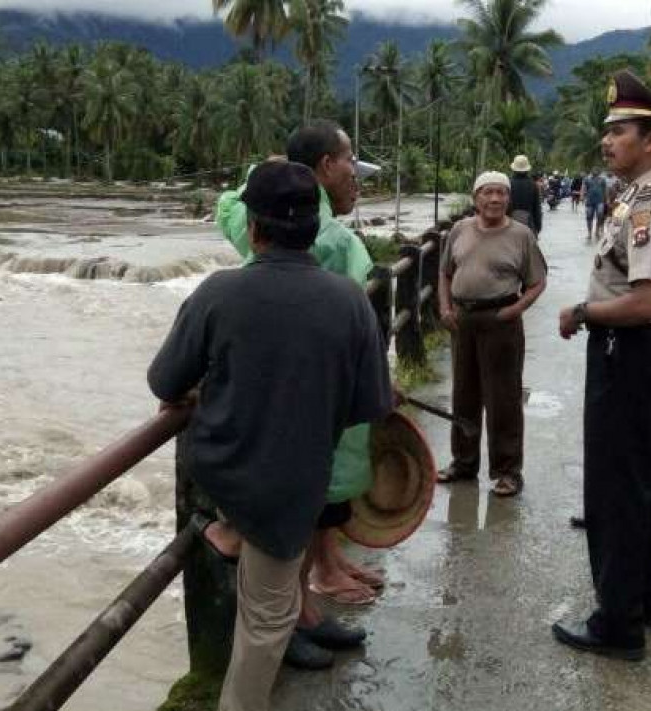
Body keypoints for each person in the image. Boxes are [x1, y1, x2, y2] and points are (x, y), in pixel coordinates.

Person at [150, 161, 394, 711]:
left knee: (266, 615)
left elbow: (163, 381)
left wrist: (207, 392)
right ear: (314, 228)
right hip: (300, 479)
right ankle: (233, 535)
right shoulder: (350, 300)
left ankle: (230, 531)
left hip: (225, 467)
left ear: (254, 229)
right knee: (268, 617)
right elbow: (370, 404)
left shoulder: (218, 292)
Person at [214, 120, 385, 668]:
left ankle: (302, 608)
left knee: (294, 511)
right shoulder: (327, 238)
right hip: (309, 396)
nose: (355, 170)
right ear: (321, 171)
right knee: (293, 511)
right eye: (348, 158)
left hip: (264, 398)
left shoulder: (249, 229)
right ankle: (286, 622)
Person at [553, 69, 651, 661]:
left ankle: (618, 624)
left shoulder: (649, 207)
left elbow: (649, 300)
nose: (607, 140)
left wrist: (585, 310)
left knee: (618, 489)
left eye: (620, 130)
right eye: (606, 130)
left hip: (633, 352)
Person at [436, 171, 548, 497]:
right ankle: (463, 462)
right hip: (463, 319)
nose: (495, 199)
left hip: (502, 320)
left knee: (503, 398)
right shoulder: (459, 230)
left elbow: (538, 281)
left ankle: (508, 471)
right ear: (476, 198)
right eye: (488, 193)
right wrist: (444, 308)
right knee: (464, 394)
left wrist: (514, 311)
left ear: (509, 199)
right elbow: (444, 273)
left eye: (501, 193)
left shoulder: (521, 235)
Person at [508, 154, 542, 236]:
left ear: (514, 169)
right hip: (528, 224)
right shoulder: (533, 185)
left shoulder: (508, 183)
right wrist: (538, 227)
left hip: (510, 224)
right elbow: (536, 208)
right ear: (527, 170)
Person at [582, 170, 607, 242]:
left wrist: (606, 199)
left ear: (598, 173)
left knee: (600, 214)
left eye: (596, 172)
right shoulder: (587, 179)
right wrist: (582, 196)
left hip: (600, 201)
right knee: (589, 216)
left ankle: (597, 230)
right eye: (594, 172)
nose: (595, 173)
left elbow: (605, 189)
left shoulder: (602, 180)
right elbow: (583, 187)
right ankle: (589, 233)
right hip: (589, 201)